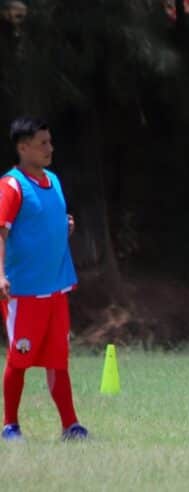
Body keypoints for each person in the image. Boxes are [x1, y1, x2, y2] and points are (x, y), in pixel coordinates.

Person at [0, 116, 87, 442]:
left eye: (50, 142)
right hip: (23, 292)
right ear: (23, 148)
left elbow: (44, 222)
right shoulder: (11, 185)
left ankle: (71, 426)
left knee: (58, 361)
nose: (50, 149)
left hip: (56, 288)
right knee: (19, 361)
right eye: (42, 144)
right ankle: (10, 426)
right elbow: (1, 232)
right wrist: (0, 276)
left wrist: (64, 227)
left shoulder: (52, 179)